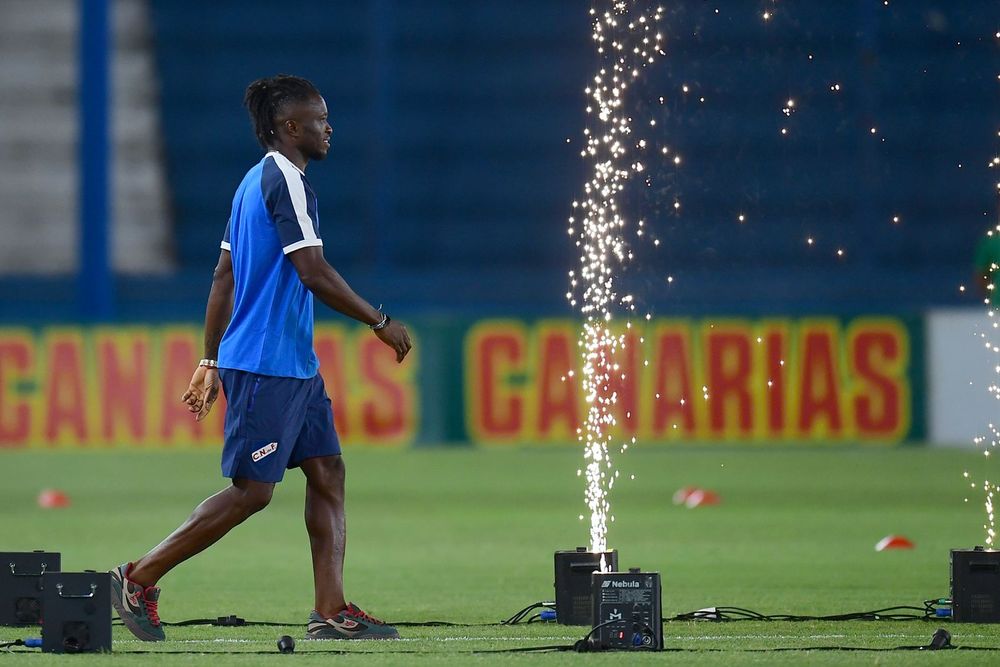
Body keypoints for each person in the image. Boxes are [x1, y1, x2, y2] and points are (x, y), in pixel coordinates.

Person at [109, 74, 412, 642]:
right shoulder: (285, 181)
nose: (329, 127)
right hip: (267, 364)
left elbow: (224, 275)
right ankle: (136, 576)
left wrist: (208, 359)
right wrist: (379, 320)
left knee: (327, 472)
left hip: (293, 364)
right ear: (290, 127)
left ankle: (331, 610)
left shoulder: (251, 183)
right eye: (320, 119)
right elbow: (313, 271)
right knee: (253, 491)